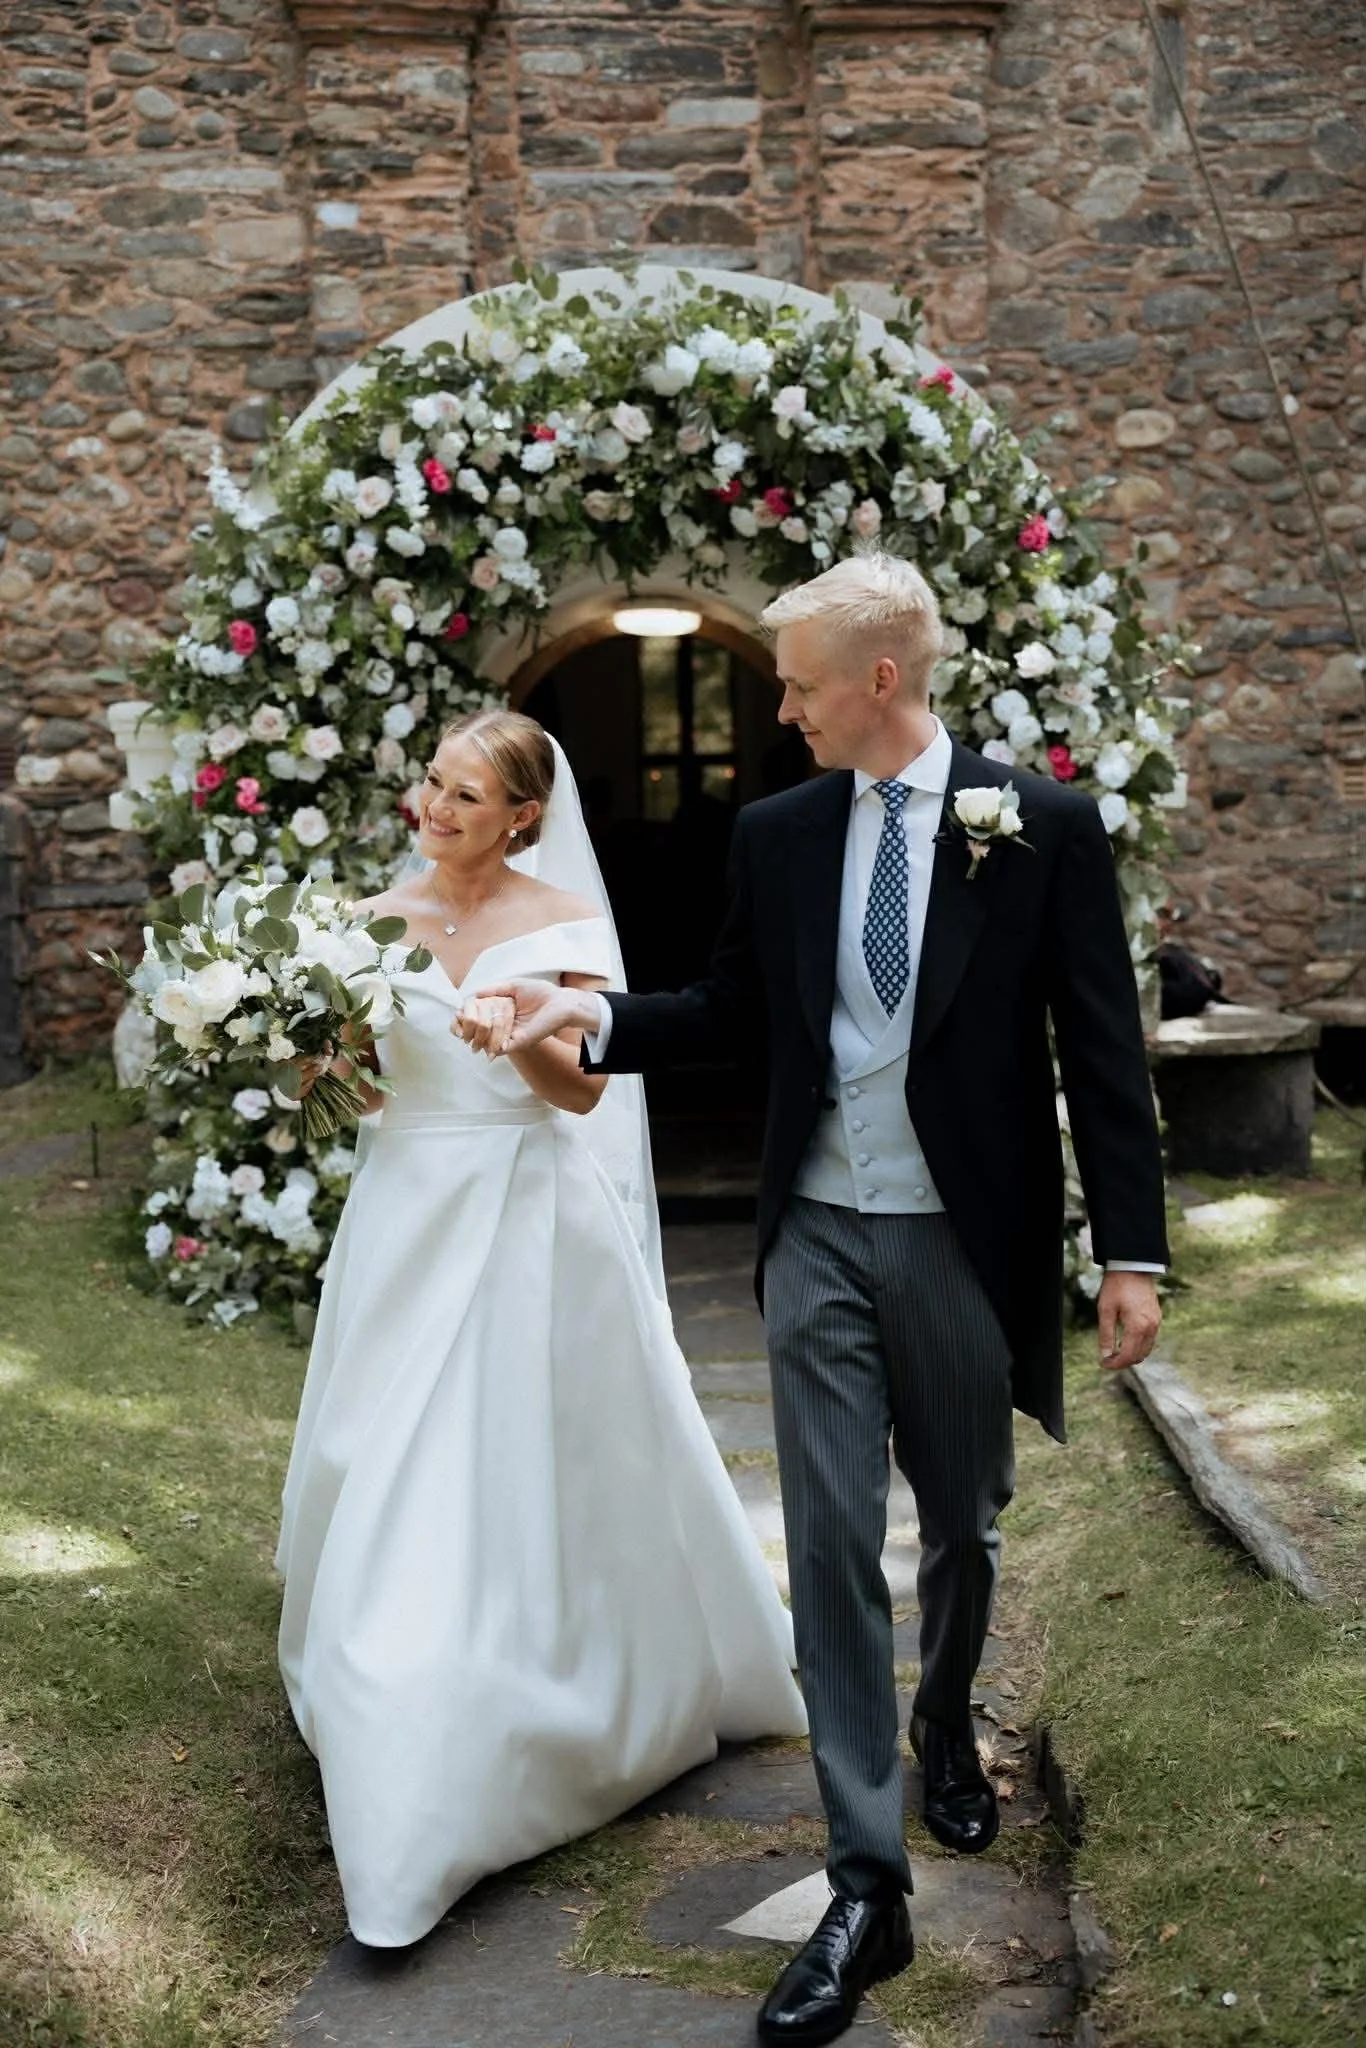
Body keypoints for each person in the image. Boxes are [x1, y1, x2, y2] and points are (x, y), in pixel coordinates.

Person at [461, 555, 1168, 2046]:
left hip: (962, 1241)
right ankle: (865, 1882)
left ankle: (942, 1725)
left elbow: (1101, 1053)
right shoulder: (779, 835)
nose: (777, 707)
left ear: (879, 681)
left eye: (795, 682)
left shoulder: (1035, 828)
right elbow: (726, 1013)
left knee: (963, 1525)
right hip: (819, 1236)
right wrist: (579, 1013)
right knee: (834, 1540)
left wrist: (1128, 1252)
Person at [275, 708, 807, 1950]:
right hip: (405, 1221)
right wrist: (294, 1046)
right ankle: (389, 1690)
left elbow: (579, 1087)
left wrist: (518, 1033)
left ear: (521, 811)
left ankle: (529, 1700)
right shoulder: (370, 920)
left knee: (523, 1461)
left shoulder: (561, 917)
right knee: (388, 1459)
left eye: (466, 793)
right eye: (431, 782)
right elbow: (347, 1084)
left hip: (527, 1218)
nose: (435, 806)